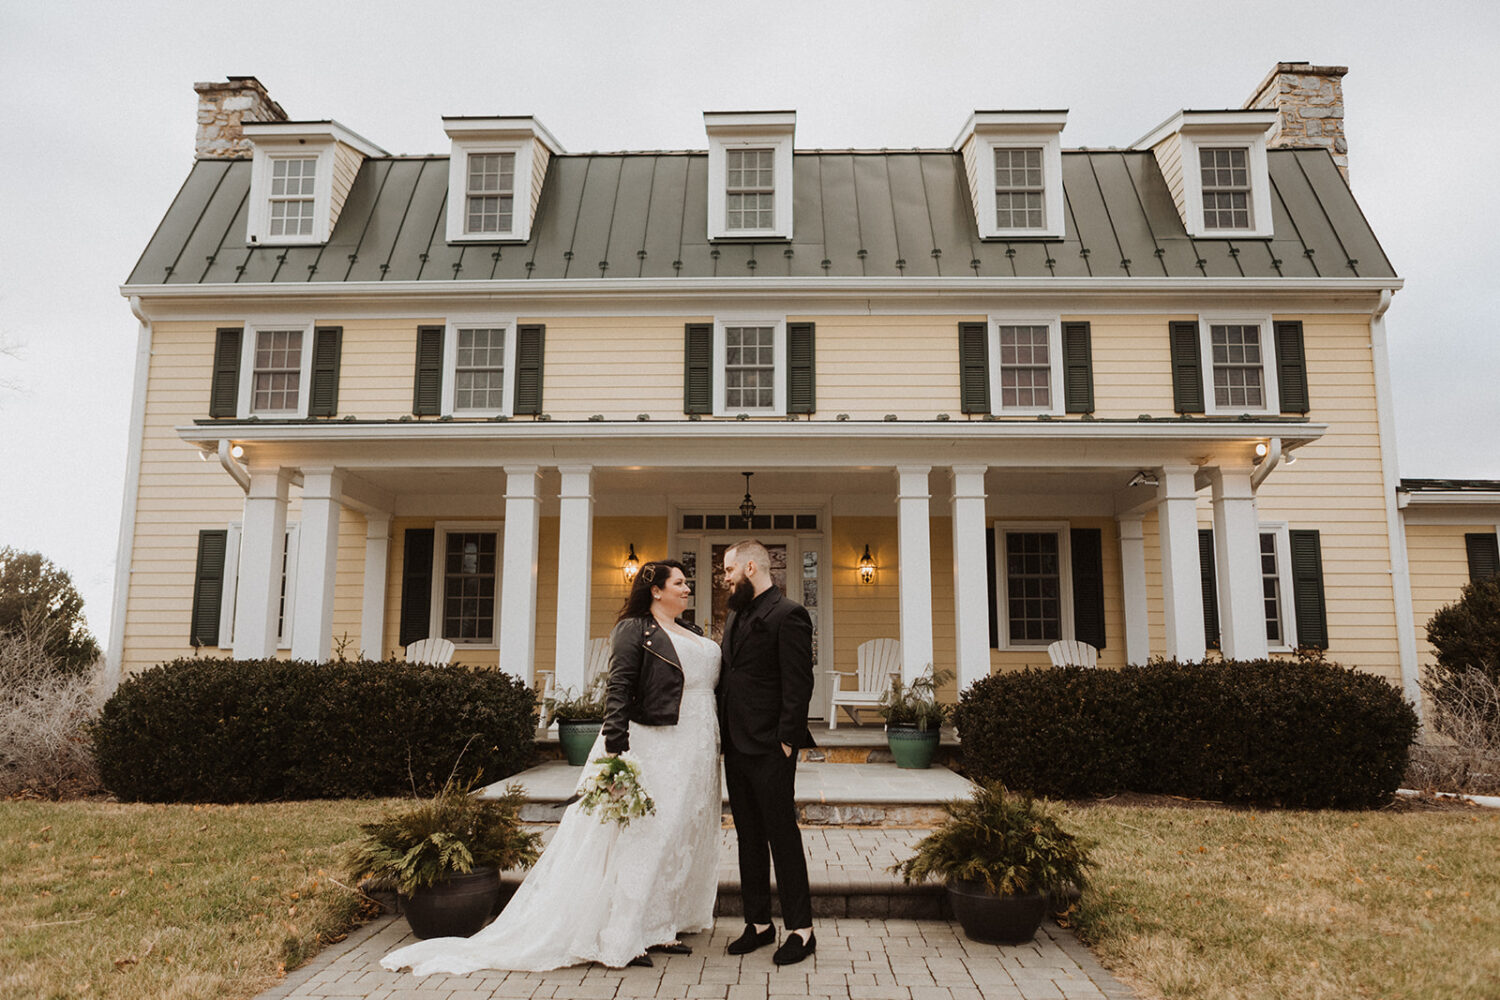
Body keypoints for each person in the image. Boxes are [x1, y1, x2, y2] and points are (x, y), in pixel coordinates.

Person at [381, 560, 721, 975]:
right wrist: (617, 749)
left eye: (687, 582)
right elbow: (619, 688)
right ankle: (622, 933)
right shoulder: (635, 630)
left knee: (677, 832)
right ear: (656, 590)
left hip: (695, 747)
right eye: (681, 583)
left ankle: (660, 922)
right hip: (654, 743)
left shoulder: (695, 633)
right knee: (642, 835)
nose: (688, 589)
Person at [715, 539, 819, 966]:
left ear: (751, 566)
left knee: (782, 835)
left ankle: (801, 929)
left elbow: (799, 683)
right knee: (748, 837)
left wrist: (787, 740)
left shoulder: (789, 614)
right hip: (736, 745)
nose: (725, 578)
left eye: (728, 570)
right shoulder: (737, 614)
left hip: (771, 746)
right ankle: (759, 923)